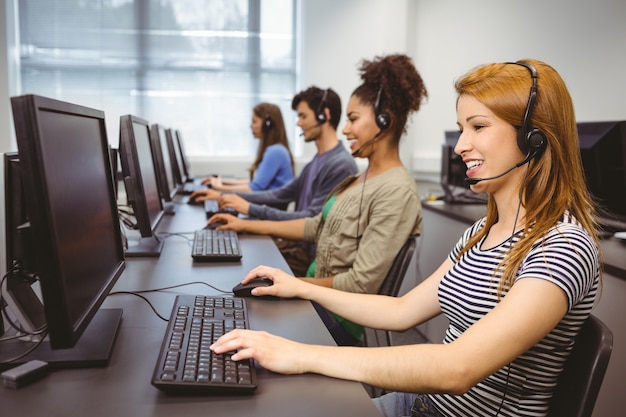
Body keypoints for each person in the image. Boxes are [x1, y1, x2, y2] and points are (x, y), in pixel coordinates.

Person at [210, 59, 601, 417]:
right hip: (421, 404)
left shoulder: (562, 247)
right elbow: (402, 312)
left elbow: (457, 368)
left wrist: (302, 355)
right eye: (462, 128)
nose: (462, 145)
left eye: (478, 127)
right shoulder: (481, 232)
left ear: (534, 137)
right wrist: (301, 288)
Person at [209, 54, 425, 341]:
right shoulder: (359, 179)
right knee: (227, 303)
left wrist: (295, 285)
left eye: (353, 119)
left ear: (386, 121)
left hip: (334, 319)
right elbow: (314, 226)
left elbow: (360, 284)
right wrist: (244, 225)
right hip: (314, 299)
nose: (345, 129)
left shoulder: (397, 192)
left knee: (235, 317)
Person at [193, 86, 358, 275]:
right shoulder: (317, 161)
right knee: (235, 248)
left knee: (242, 263)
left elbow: (311, 219)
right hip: (296, 246)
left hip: (308, 256)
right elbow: (280, 194)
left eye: (303, 116)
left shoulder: (340, 165)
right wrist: (226, 196)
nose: (298, 123)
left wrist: (249, 208)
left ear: (324, 115)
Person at [199, 102, 295, 192]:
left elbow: (254, 188)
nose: (251, 126)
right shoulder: (276, 149)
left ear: (267, 125)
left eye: (254, 122)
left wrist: (220, 188)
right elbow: (255, 182)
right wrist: (222, 181)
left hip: (268, 207)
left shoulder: (276, 151)